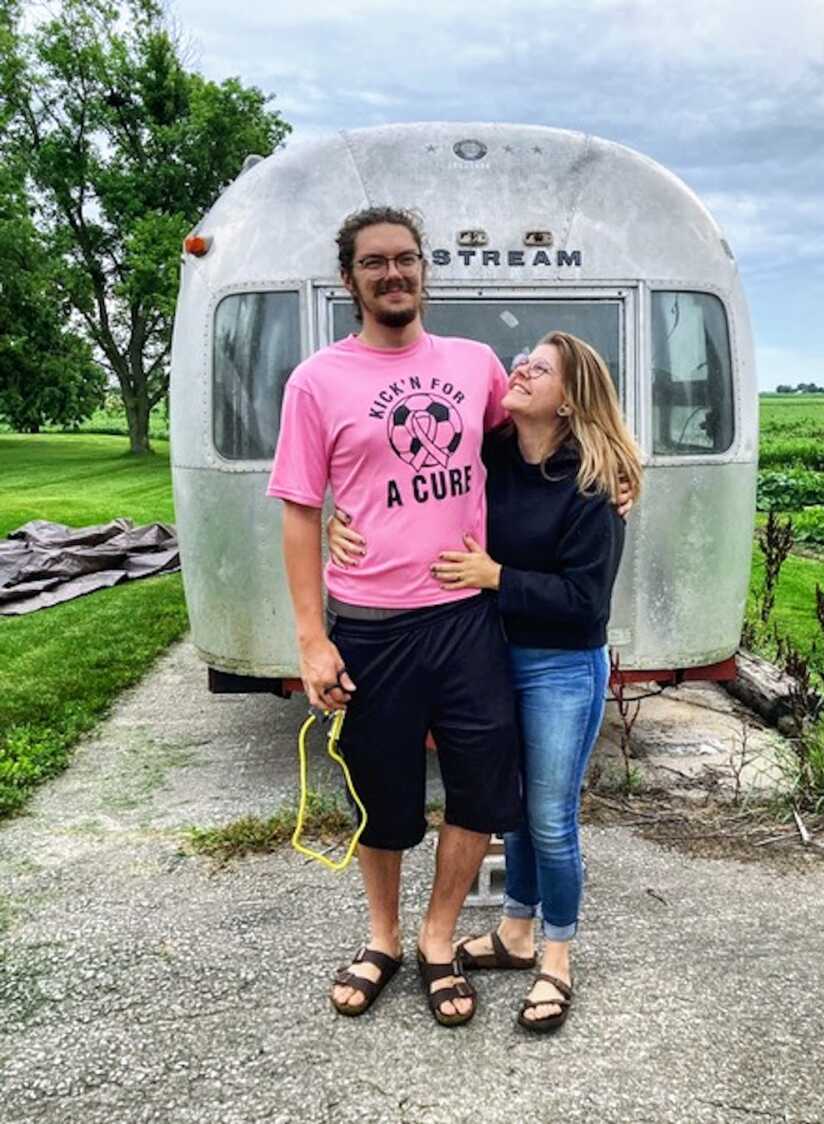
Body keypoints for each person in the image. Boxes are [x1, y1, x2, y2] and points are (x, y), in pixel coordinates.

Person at [329, 330, 642, 1032]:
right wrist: (338, 525)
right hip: (493, 653)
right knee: (515, 809)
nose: (519, 369)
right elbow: (401, 490)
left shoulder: (594, 482)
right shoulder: (490, 453)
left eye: (540, 369)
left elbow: (587, 602)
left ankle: (555, 959)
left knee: (553, 821)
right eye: (522, 361)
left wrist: (498, 578)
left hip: (562, 667)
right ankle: (514, 932)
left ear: (569, 401)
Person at [267, 206, 524, 1028]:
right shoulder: (317, 381)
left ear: (424, 270)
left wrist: (613, 472)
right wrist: (312, 640)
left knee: (482, 790)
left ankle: (437, 939)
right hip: (371, 625)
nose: (393, 274)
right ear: (350, 279)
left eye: (406, 259)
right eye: (374, 263)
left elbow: (529, 447)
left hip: (466, 619)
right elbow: (302, 511)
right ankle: (381, 938)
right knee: (383, 798)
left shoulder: (474, 364)